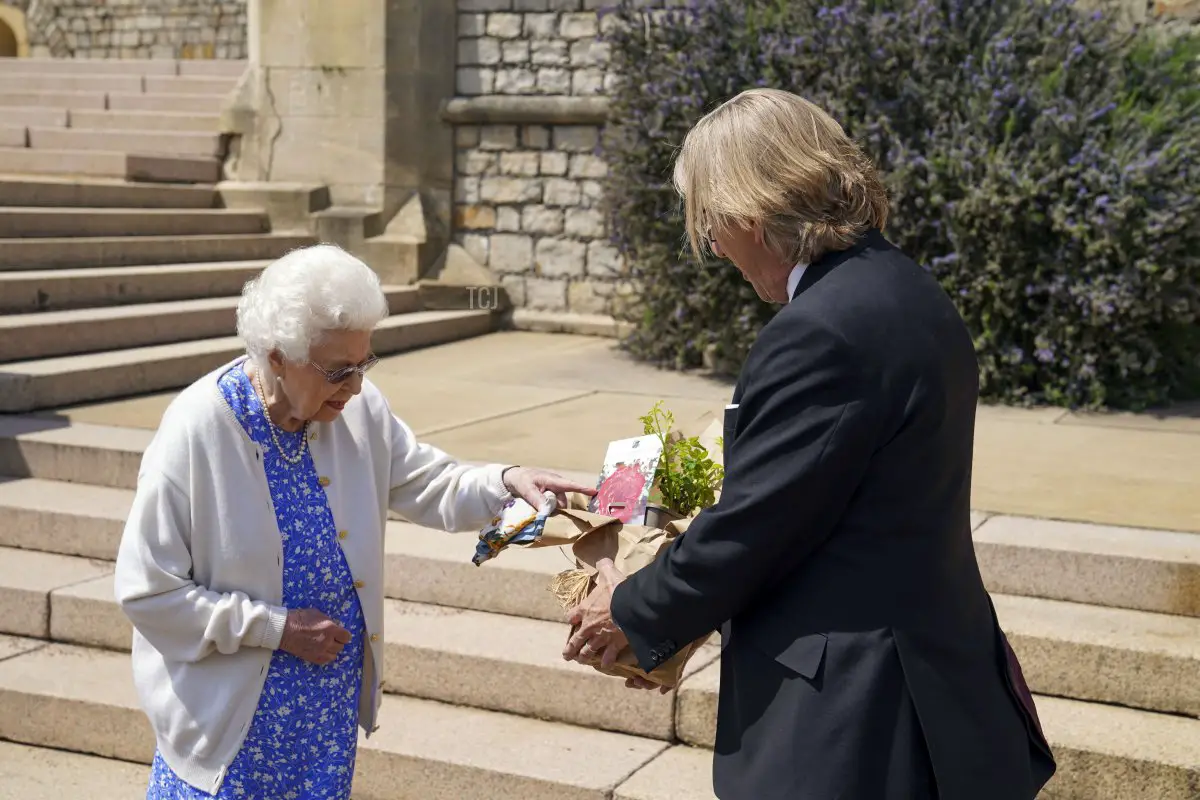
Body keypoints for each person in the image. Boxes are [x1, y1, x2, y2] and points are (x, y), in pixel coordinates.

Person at [563, 89, 1056, 800]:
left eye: (709, 228)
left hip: (858, 716)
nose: (715, 249)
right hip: (933, 678)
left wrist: (633, 611)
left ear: (748, 216)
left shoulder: (819, 330)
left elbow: (758, 524)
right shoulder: (909, 290)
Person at [114, 243, 592, 800]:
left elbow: (428, 482)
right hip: (228, 733)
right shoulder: (197, 431)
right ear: (275, 357)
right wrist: (275, 628)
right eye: (339, 370)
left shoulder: (355, 409)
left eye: (365, 363)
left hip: (323, 716)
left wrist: (506, 481)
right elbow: (148, 594)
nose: (358, 386)